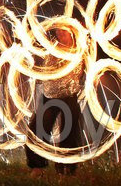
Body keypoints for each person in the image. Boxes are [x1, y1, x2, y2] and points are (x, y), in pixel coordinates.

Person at [26, 27, 84, 178]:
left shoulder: (79, 50)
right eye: (57, 32)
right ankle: (37, 167)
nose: (59, 34)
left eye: (63, 32)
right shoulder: (52, 48)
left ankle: (66, 171)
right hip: (49, 95)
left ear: (71, 32)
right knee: (36, 129)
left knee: (69, 135)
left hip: (68, 96)